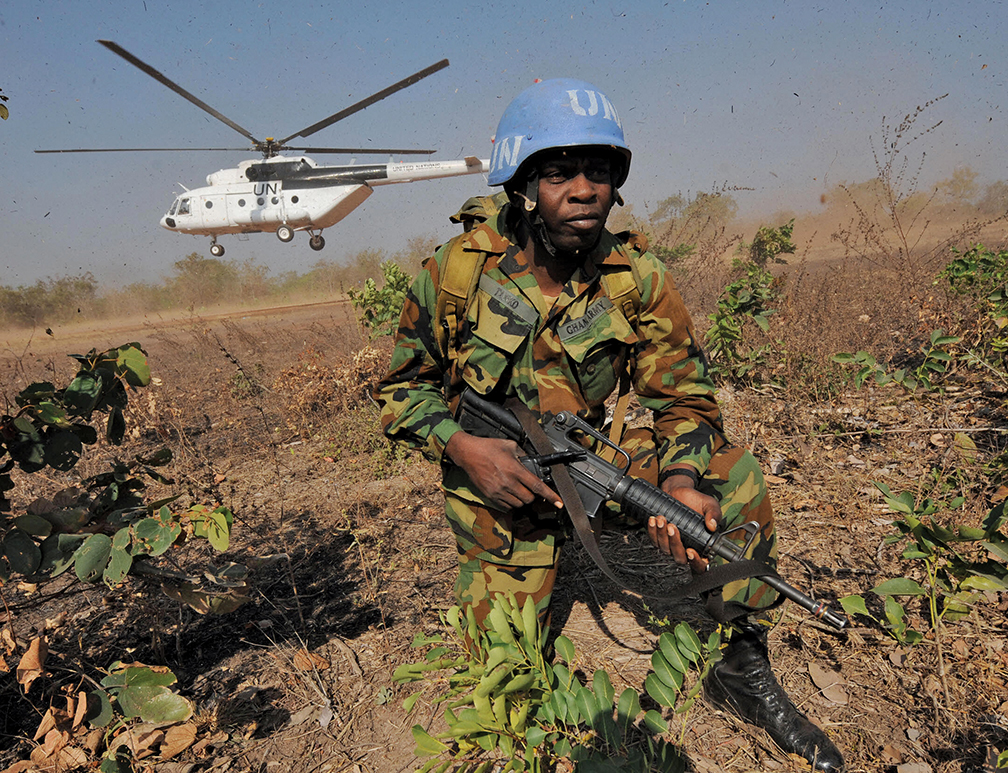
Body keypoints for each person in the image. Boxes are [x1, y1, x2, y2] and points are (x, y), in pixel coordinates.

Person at [375, 78, 843, 773]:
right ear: (524, 186)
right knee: (508, 687)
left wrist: (681, 480)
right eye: (561, 171)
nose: (585, 188)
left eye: (599, 171)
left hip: (591, 466)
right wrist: (465, 450)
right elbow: (401, 391)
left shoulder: (634, 276)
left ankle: (739, 670)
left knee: (734, 478)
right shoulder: (456, 274)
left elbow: (685, 397)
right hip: (504, 495)